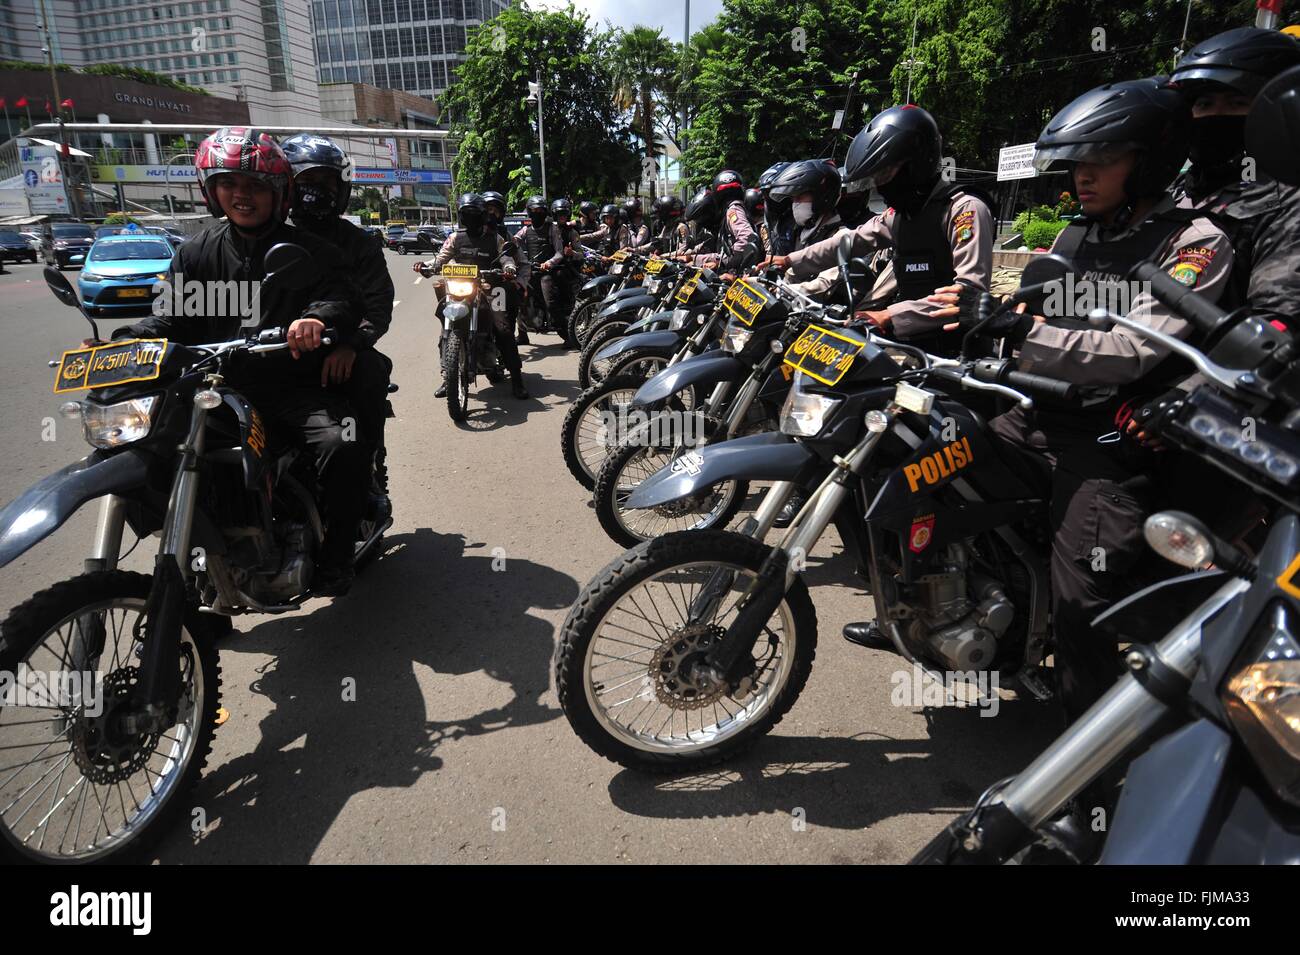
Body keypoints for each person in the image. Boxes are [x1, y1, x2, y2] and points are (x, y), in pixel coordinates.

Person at [919, 77, 1234, 728]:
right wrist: (989, 320)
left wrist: (1021, 330)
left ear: (1147, 160)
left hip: (1113, 436)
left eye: (1101, 162)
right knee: (929, 456)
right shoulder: (1075, 237)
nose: (1081, 178)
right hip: (1036, 411)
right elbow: (1032, 313)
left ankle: (1086, 751)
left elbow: (1129, 350)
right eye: (1077, 165)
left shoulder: (1196, 243)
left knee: (1082, 595)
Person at [117, 127, 367, 595]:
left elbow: (343, 299)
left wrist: (314, 319)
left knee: (341, 441)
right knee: (153, 449)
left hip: (289, 387)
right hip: (212, 390)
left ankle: (336, 554)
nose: (241, 196)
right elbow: (170, 317)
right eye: (229, 185)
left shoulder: (314, 251)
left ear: (278, 193)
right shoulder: (195, 252)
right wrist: (127, 339)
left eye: (254, 186)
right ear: (211, 191)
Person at [760, 106, 993, 352]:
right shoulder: (900, 216)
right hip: (910, 342)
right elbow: (848, 241)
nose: (880, 188)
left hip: (957, 355)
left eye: (884, 175)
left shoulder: (963, 210)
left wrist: (888, 315)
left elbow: (966, 296)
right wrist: (789, 260)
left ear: (915, 163)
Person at [282, 133, 395, 522]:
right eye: (306, 183)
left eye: (326, 183)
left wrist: (352, 344)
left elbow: (376, 304)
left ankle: (365, 470)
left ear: (341, 189)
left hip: (340, 352)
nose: (316, 192)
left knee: (371, 373)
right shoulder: (266, 236)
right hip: (271, 357)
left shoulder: (357, 244)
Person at [1168, 26, 1300, 333]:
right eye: (1204, 104)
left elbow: (1275, 322)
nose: (1217, 116)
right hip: (1130, 359)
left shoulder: (1284, 200)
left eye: (1237, 103)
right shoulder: (1172, 193)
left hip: (1219, 370)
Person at [421, 192, 529, 399]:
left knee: (503, 329)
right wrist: (426, 267)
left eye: (474, 214)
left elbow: (507, 258)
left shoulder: (496, 238)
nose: (470, 218)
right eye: (466, 214)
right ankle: (448, 377)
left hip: (491, 286)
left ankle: (517, 380)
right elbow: (440, 260)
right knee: (446, 326)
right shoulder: (455, 238)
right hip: (460, 286)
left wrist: (509, 269)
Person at [482, 189, 530, 352]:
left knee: (504, 329)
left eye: (495, 211)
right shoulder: (466, 233)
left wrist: (520, 283)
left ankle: (511, 362)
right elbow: (449, 253)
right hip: (472, 284)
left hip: (498, 287)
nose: (491, 214)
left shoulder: (506, 236)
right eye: (488, 209)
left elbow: (523, 263)